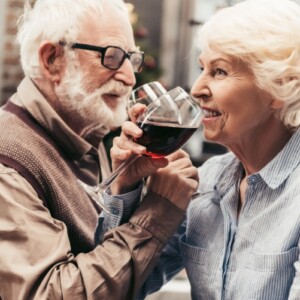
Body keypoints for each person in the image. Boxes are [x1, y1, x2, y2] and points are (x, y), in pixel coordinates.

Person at [0, 0, 199, 299]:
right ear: (53, 59)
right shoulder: (9, 161)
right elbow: (50, 294)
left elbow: (120, 283)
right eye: (112, 56)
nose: (129, 77)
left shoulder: (89, 139)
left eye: (132, 58)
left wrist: (125, 191)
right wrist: (158, 210)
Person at [107, 0, 300, 299]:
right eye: (202, 69)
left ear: (279, 86)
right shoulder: (205, 182)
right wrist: (125, 185)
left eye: (220, 71)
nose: (197, 88)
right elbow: (121, 288)